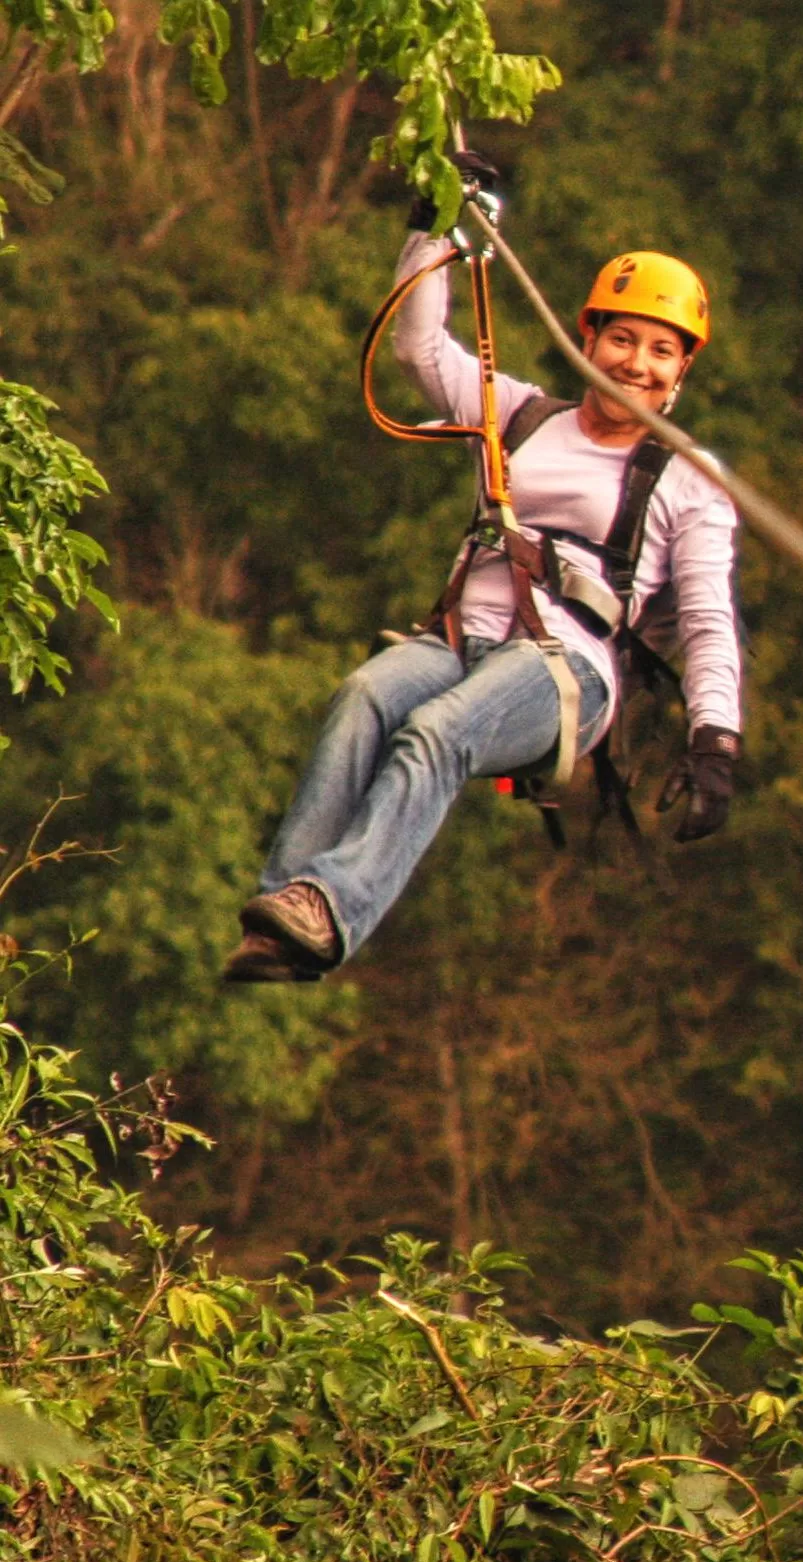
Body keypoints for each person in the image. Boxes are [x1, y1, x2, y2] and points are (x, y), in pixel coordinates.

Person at [223, 190, 743, 983]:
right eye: (623, 339)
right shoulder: (523, 414)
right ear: (588, 338)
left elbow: (707, 619)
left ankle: (329, 908)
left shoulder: (687, 478)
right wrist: (430, 225)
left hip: (567, 668)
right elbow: (420, 349)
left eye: (662, 350)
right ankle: (283, 918)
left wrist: (716, 741)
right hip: (464, 640)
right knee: (365, 695)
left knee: (437, 731)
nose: (637, 363)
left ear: (682, 370)